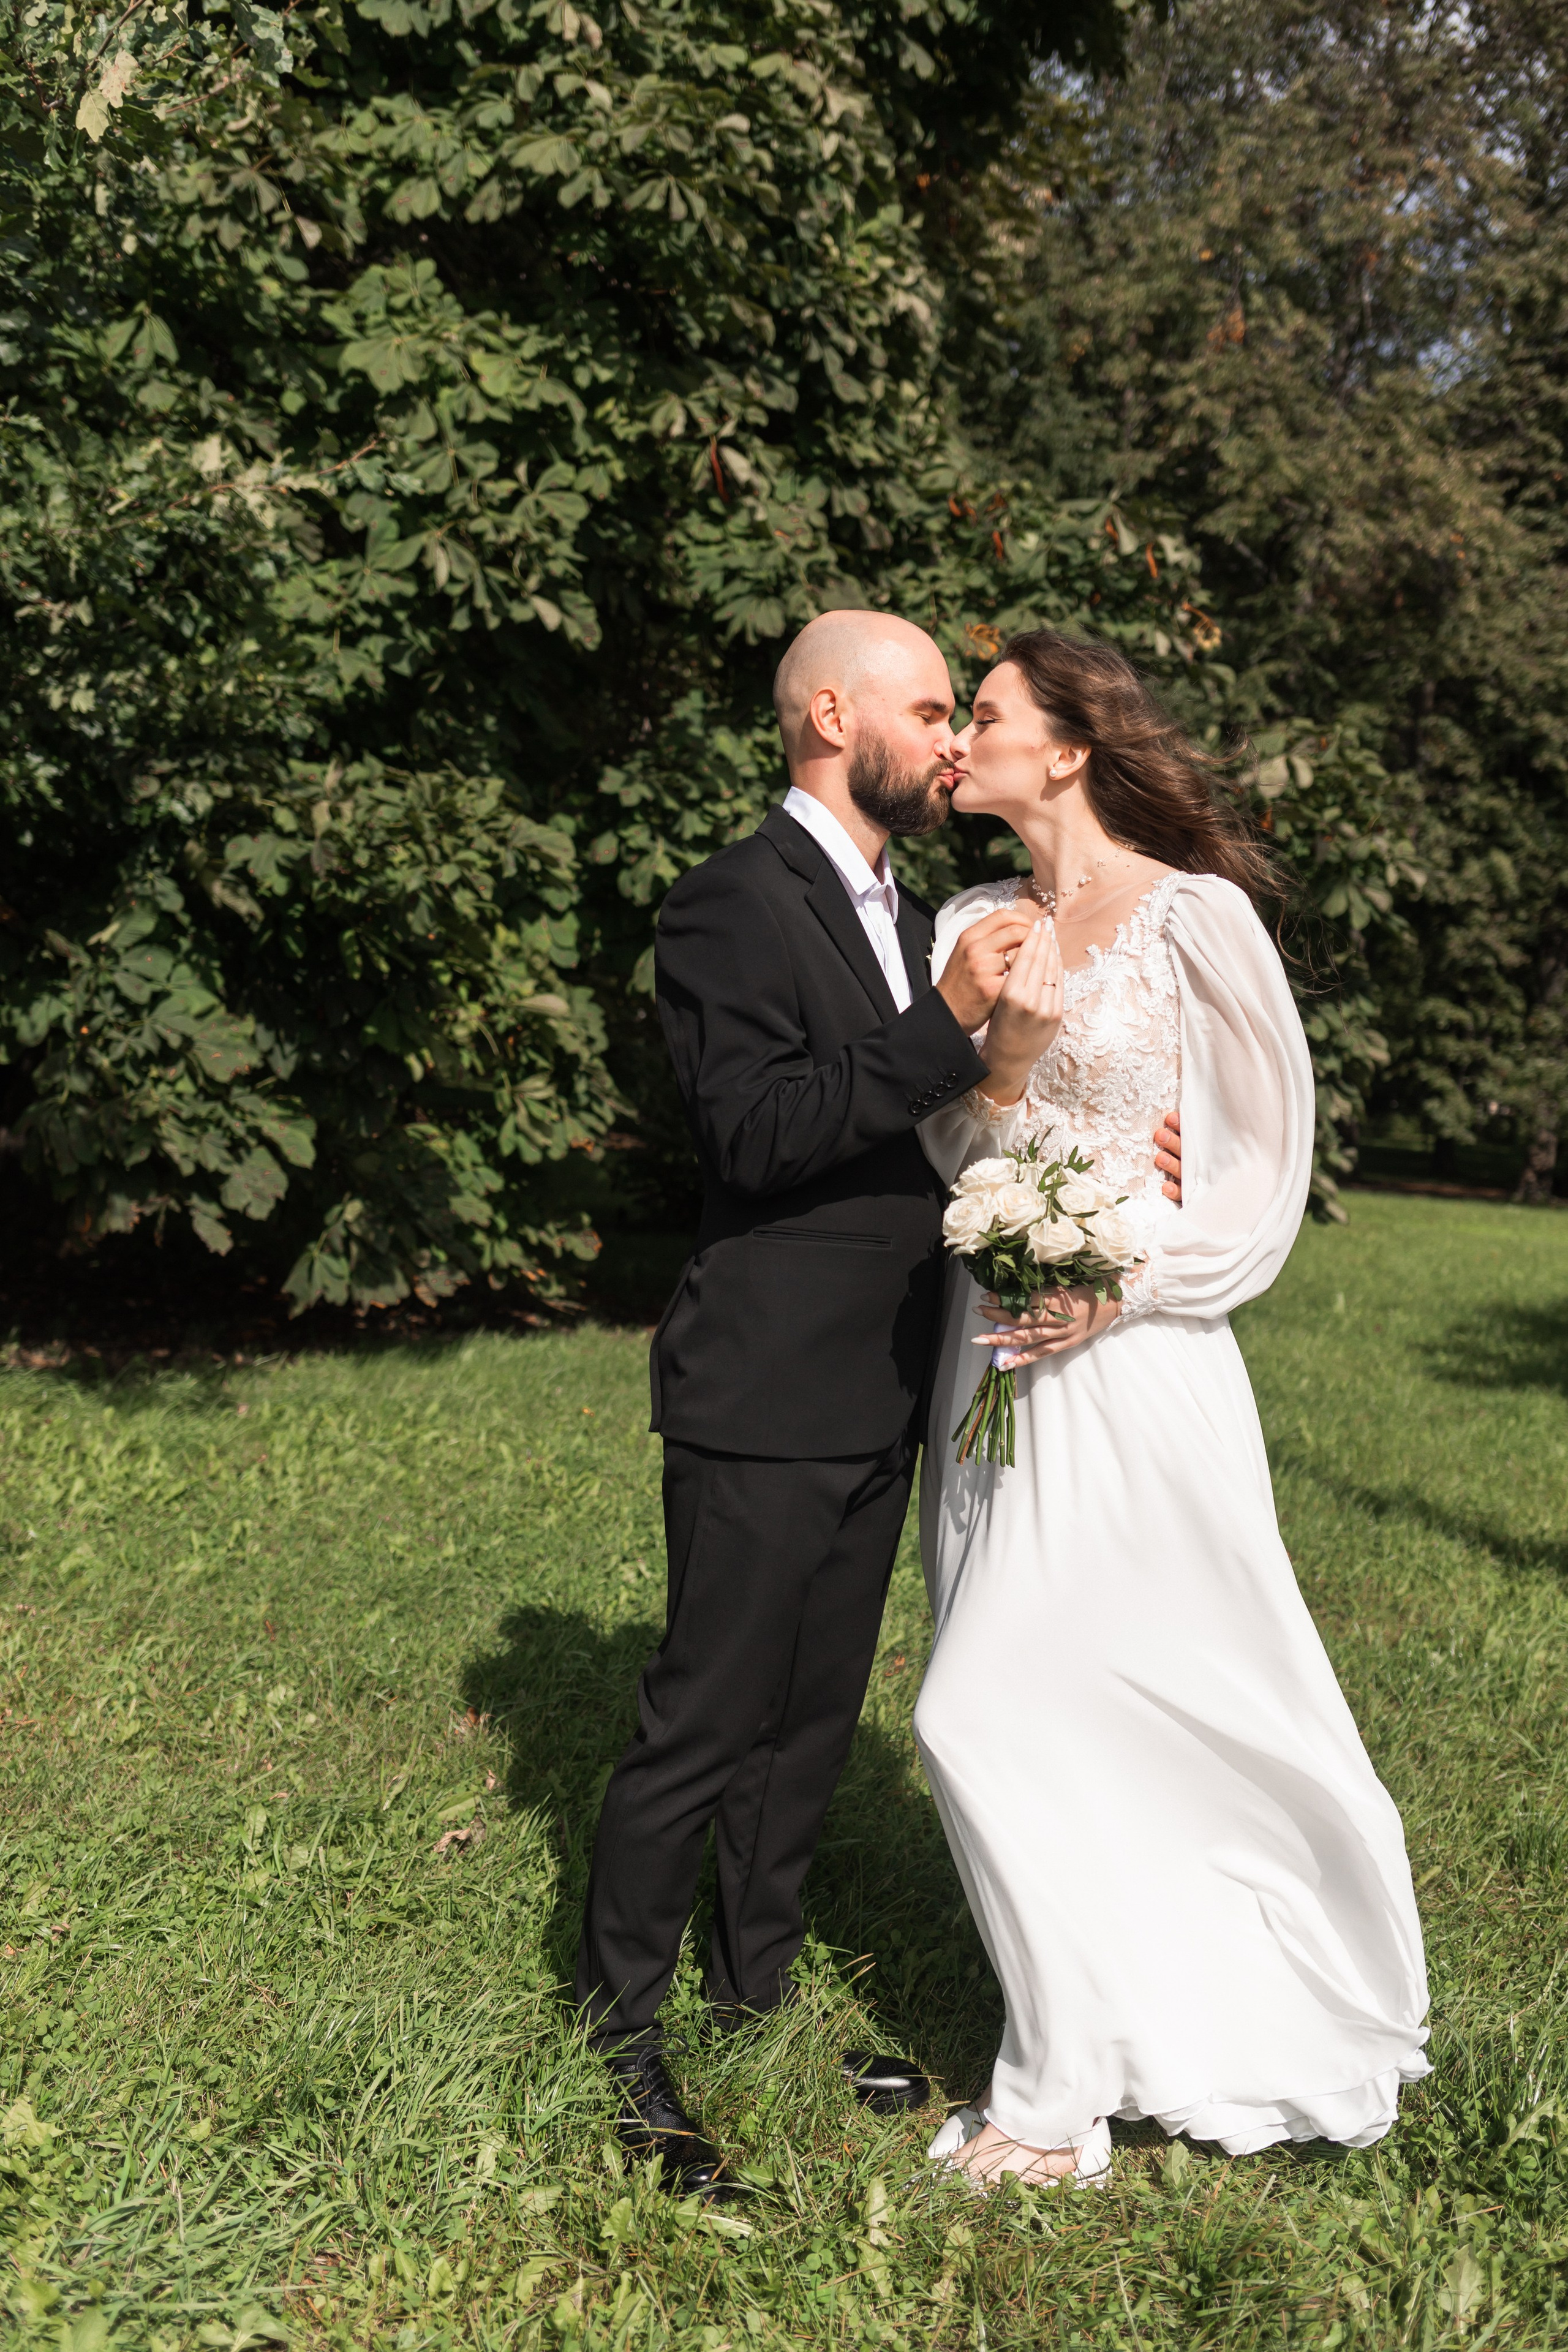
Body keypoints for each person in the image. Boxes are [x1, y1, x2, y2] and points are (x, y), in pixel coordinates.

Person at [573, 609, 1186, 2195]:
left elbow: (955, 1126)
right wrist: (944, 1026)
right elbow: (755, 1134)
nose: (950, 739)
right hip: (763, 1379)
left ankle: (752, 1993)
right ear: (833, 716)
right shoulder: (726, 902)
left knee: (810, 1726)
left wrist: (1114, 1155)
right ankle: (617, 2037)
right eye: (927, 710)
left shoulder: (915, 909)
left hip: (886, 1383)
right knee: (707, 1717)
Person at [914, 630, 1430, 2188]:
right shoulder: (965, 921)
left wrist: (1121, 1282)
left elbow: (1261, 1167)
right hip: (991, 1345)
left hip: (1139, 1353)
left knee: (1014, 1703)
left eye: (984, 714)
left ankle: (1056, 2101)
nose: (958, 740)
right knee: (1027, 1700)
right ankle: (1087, 2032)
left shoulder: (1194, 917)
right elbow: (947, 1146)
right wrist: (1003, 1067)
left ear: (1067, 747)